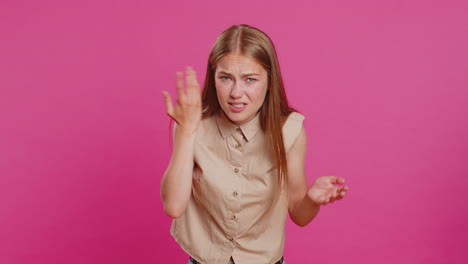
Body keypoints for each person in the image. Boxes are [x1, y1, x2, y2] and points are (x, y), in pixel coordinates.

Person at [160, 24, 349, 264]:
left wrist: (311, 199)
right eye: (226, 78)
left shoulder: (289, 130)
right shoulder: (191, 124)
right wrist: (186, 131)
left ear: (270, 82)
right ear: (213, 78)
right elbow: (173, 207)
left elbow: (300, 215)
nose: (236, 93)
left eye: (250, 79)